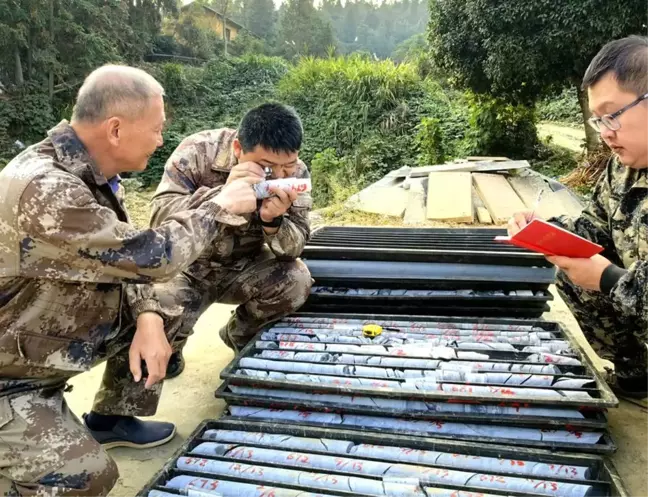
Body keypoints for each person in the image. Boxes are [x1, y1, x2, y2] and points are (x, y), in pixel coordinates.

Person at [0, 65, 259, 496]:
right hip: (9, 375)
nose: (161, 141)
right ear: (116, 129)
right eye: (156, 129)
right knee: (84, 479)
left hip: (34, 345)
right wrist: (220, 205)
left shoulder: (87, 173)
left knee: (168, 307)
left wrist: (149, 318)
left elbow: (121, 261)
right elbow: (149, 255)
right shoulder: (45, 189)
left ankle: (112, 417)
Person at [508, 36, 648, 398]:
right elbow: (594, 228)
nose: (605, 134)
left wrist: (607, 278)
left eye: (612, 115)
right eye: (597, 120)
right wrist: (541, 231)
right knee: (572, 269)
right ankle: (637, 373)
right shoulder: (623, 168)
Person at [149, 103, 313, 378]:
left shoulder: (296, 173)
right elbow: (159, 222)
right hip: (189, 265)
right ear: (238, 149)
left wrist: (273, 223)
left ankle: (240, 334)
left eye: (288, 166)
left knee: (296, 279)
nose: (279, 175)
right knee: (155, 303)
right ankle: (172, 346)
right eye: (266, 167)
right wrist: (221, 197)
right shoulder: (197, 151)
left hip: (245, 265)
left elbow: (294, 248)